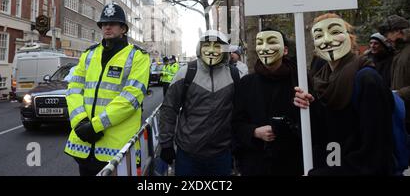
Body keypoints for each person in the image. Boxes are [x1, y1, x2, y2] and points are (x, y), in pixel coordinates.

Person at [294, 13, 394, 175]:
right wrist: (309, 108)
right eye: (319, 35)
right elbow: (323, 134)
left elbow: (376, 152)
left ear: (350, 37)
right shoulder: (320, 80)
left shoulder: (367, 80)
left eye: (334, 32)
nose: (326, 40)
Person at [64, 2, 150, 176]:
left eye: (112, 23)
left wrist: (95, 125)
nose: (107, 27)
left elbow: (131, 98)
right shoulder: (89, 54)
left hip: (117, 147)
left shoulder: (138, 56)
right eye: (104, 24)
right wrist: (80, 121)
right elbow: (73, 89)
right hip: (84, 145)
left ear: (123, 28)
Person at [159, 30, 239, 176]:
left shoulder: (234, 75)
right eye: (207, 45)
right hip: (188, 154)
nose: (211, 50)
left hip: (221, 154)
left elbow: (239, 112)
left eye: (217, 46)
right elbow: (169, 109)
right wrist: (166, 144)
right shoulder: (185, 72)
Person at [232, 29, 302, 175]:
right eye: (260, 43)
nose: (265, 47)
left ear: (285, 50)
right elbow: (235, 121)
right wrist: (254, 132)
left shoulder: (300, 80)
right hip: (256, 163)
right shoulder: (246, 83)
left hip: (292, 162)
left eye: (272, 42)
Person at [379, 15, 410, 133]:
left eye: (387, 34)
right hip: (403, 114)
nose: (386, 39)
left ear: (398, 31)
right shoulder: (399, 51)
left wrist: (398, 94)